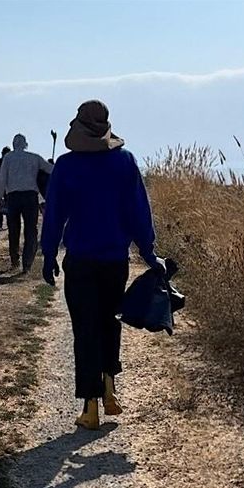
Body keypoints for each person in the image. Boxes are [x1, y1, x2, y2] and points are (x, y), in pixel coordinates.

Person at [40, 100, 162, 430]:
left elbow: (54, 215)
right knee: (110, 322)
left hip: (80, 259)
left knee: (85, 329)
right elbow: (139, 212)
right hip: (114, 260)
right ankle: (110, 387)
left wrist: (49, 253)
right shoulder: (124, 162)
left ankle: (90, 406)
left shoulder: (66, 166)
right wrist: (149, 253)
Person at [0, 134, 53, 274]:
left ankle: (14, 259)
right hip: (30, 197)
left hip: (13, 197)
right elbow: (51, 169)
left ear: (14, 144)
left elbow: (2, 179)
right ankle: (27, 264)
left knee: (13, 229)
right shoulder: (34, 157)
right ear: (25, 144)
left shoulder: (8, 158)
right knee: (31, 230)